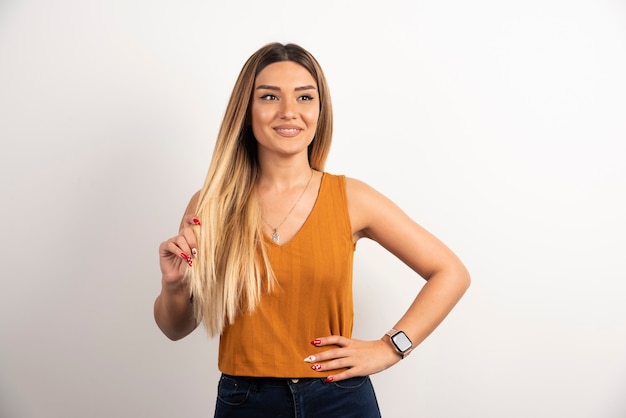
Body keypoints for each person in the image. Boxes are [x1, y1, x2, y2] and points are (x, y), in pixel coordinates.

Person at [154, 42, 470, 418]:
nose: (289, 112)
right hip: (245, 402)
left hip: (341, 398)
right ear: (246, 111)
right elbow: (175, 328)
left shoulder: (351, 198)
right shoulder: (211, 206)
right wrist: (174, 287)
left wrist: (390, 348)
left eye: (305, 97)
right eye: (269, 96)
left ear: (320, 111)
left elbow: (451, 272)